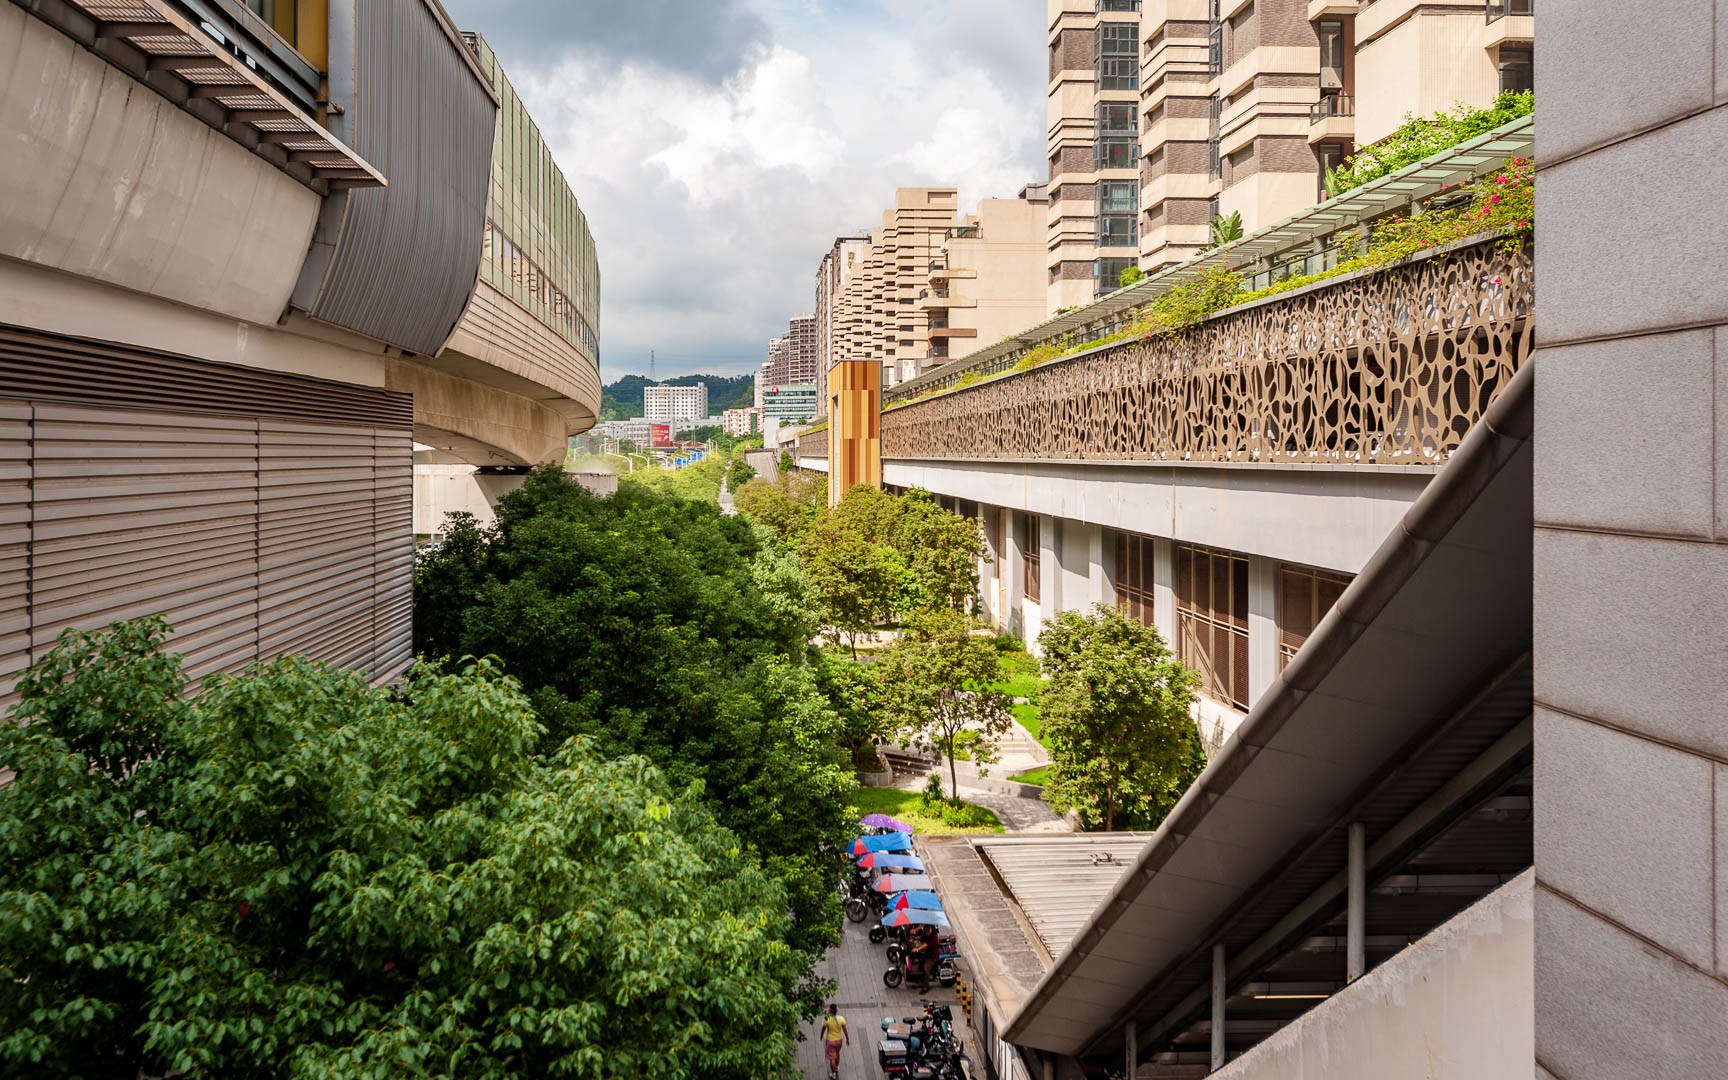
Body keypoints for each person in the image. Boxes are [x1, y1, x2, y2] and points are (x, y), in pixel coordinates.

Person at [821, 1003, 849, 1079]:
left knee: (832, 1058)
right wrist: (847, 1039)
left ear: (830, 1011)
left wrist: (821, 1036)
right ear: (836, 1011)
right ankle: (836, 1067)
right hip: (839, 1040)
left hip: (830, 1041)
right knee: (837, 1053)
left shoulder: (827, 1019)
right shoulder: (841, 1019)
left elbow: (823, 1029)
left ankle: (833, 1074)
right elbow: (845, 1030)